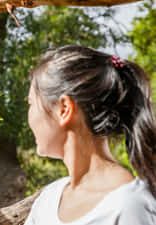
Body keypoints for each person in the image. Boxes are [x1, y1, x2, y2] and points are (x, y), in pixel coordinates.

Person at [24, 45, 156, 225]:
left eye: (31, 103)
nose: (28, 117)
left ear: (64, 109)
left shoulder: (129, 206)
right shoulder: (47, 201)